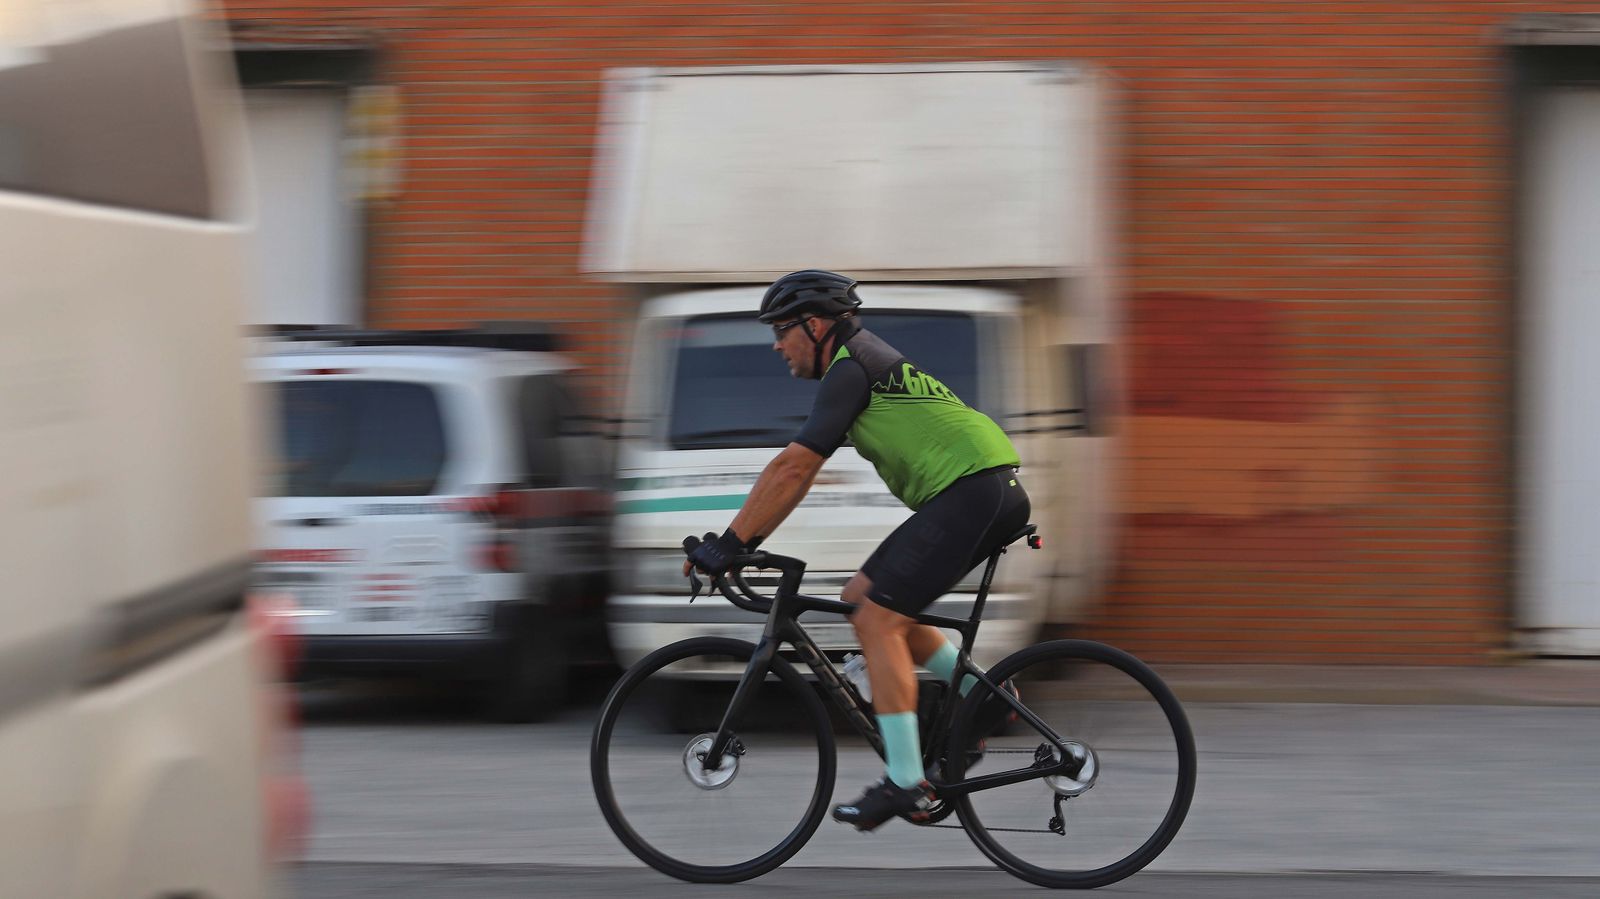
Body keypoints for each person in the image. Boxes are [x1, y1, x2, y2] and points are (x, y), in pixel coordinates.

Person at [683, 269, 1030, 831]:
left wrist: (731, 544)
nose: (777, 345)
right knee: (861, 597)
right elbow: (795, 476)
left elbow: (794, 467)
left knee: (877, 623)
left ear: (814, 325)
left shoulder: (851, 369)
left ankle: (906, 783)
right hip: (981, 490)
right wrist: (742, 541)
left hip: (974, 491)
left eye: (781, 330)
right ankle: (982, 693)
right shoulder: (862, 362)